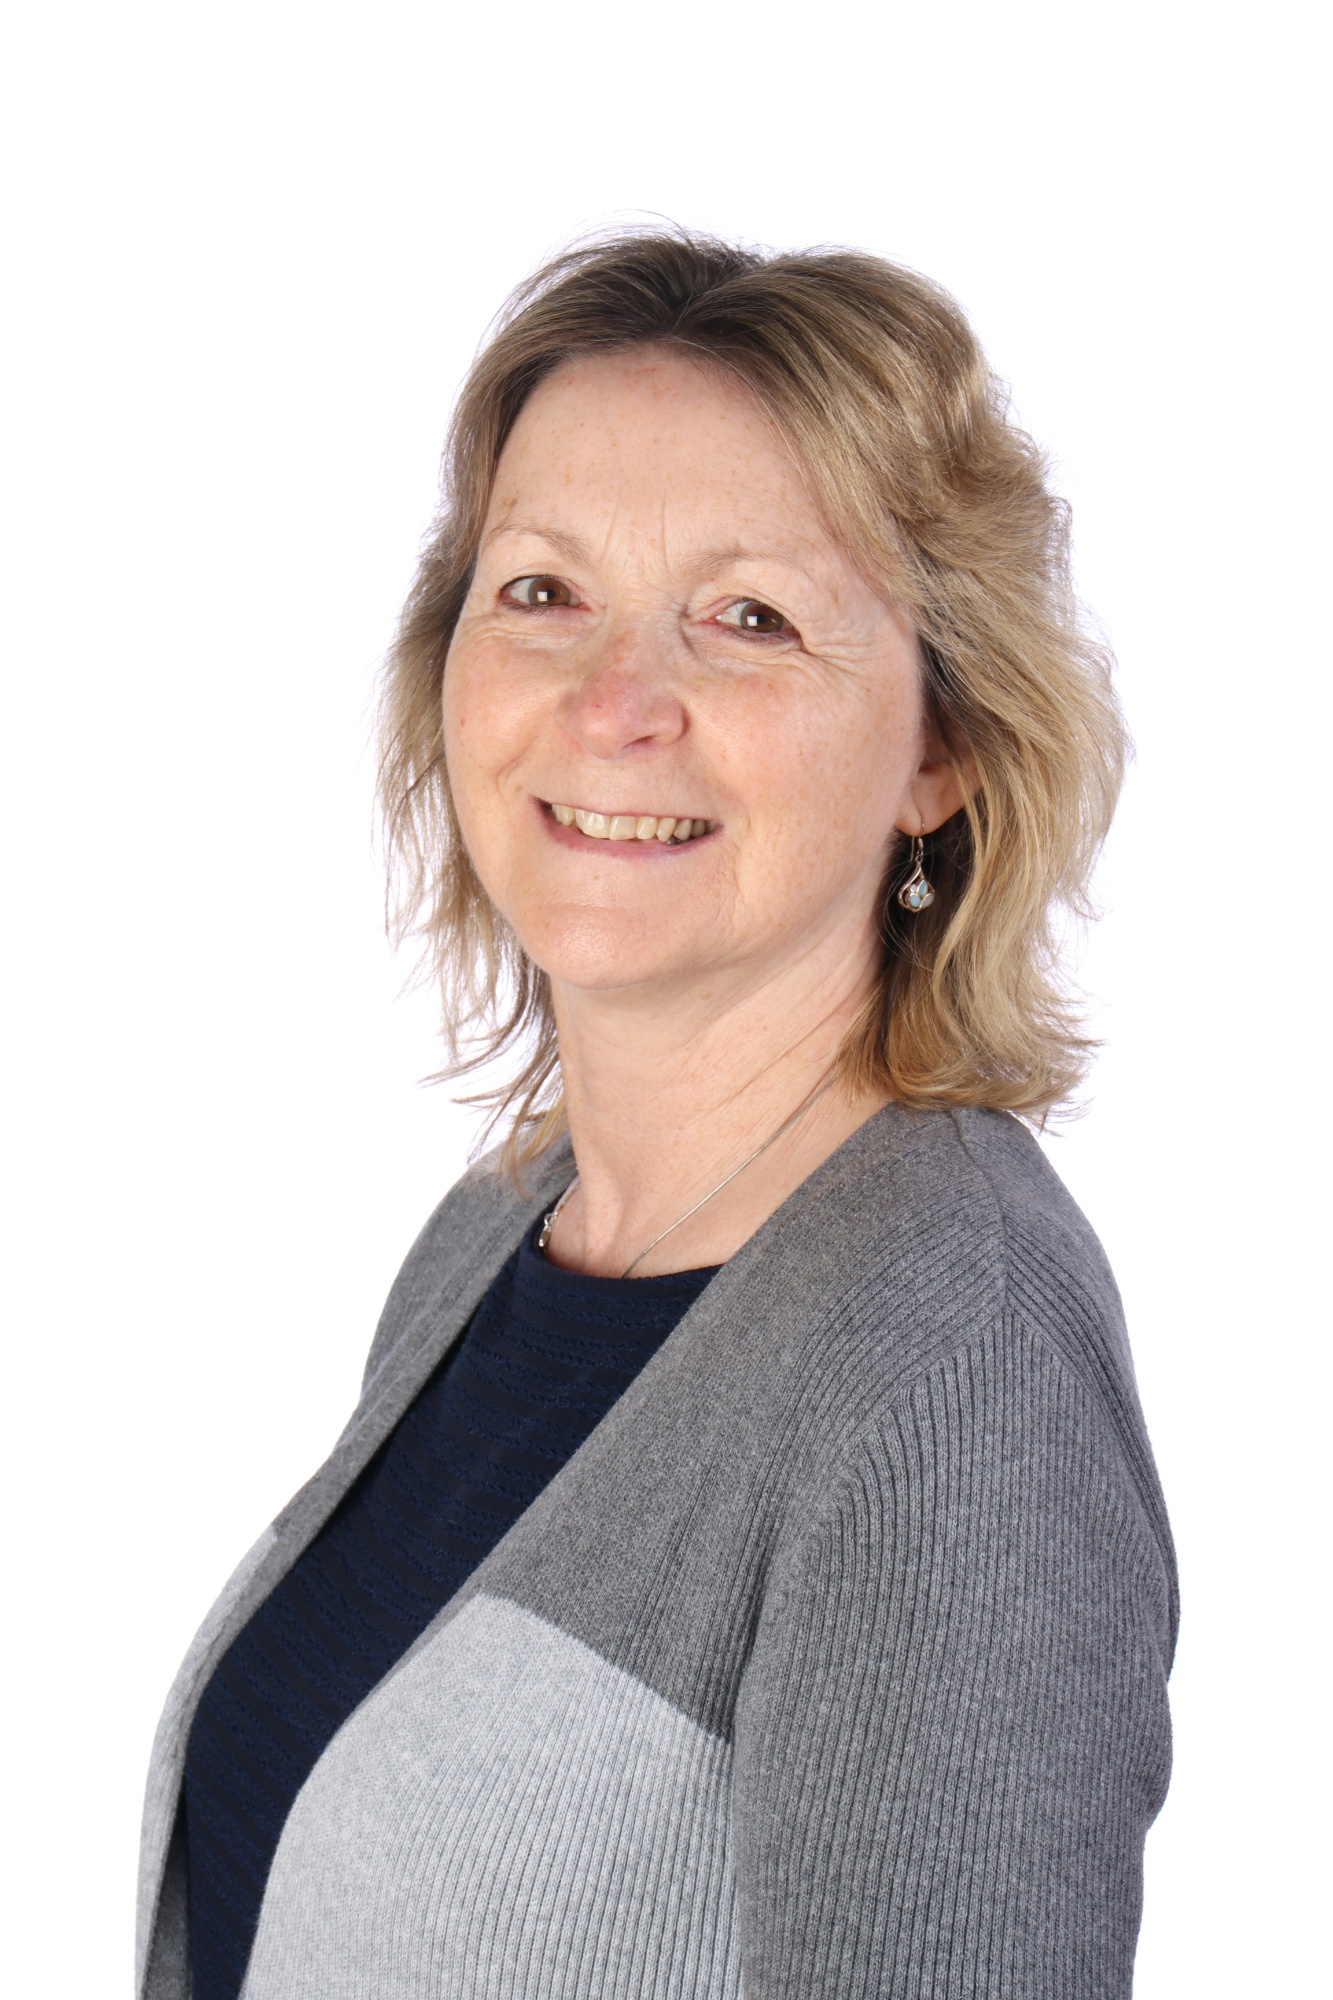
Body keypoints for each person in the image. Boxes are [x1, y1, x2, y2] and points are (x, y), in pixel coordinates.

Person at [137, 229, 1176, 2000]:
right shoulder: (503, 1232)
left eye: (747, 618)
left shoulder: (955, 1365)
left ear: (940, 745)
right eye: (542, 591)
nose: (613, 705)